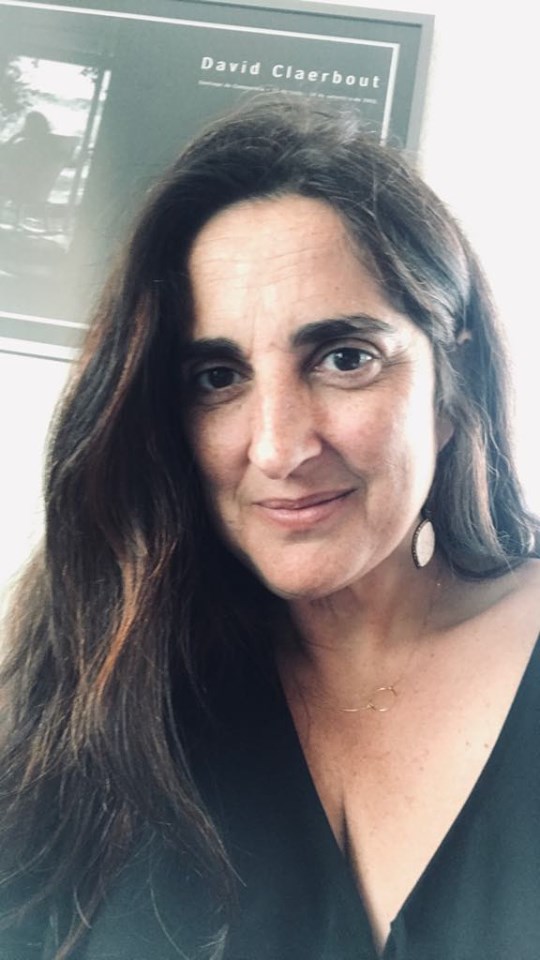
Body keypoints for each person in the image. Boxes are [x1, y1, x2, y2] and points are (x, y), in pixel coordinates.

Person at [1, 96, 539, 960]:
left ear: (454, 380)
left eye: (345, 359)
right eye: (217, 376)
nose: (281, 448)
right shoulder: (98, 692)